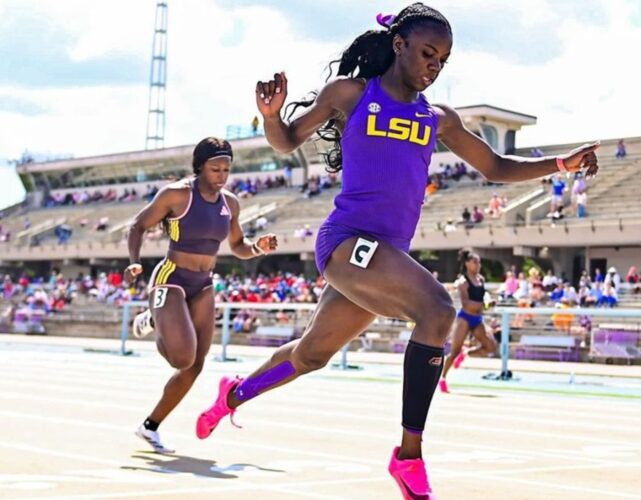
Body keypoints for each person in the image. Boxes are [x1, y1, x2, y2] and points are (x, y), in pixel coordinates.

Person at [193, 4, 600, 498]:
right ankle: (408, 456)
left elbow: (494, 165)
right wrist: (271, 115)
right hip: (346, 242)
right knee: (437, 310)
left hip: (384, 254)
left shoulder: (437, 118)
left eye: (443, 61)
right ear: (400, 45)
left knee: (311, 355)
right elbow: (286, 141)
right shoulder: (352, 93)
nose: (434, 66)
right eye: (428, 53)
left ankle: (231, 395)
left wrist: (560, 162)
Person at [124, 137, 278, 454]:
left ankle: (150, 427)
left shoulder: (230, 203)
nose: (221, 175)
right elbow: (138, 225)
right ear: (199, 167)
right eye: (215, 169)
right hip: (172, 278)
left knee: (195, 364)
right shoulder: (178, 194)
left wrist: (257, 248)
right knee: (180, 356)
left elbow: (238, 246)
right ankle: (155, 316)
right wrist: (135, 262)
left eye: (226, 169)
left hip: (203, 283)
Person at [439, 249, 497, 393]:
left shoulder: (481, 279)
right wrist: (485, 305)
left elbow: (482, 297)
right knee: (454, 352)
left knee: (491, 347)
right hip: (465, 318)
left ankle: (466, 353)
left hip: (477, 319)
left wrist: (488, 301)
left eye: (479, 262)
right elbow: (466, 303)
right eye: (475, 262)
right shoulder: (463, 282)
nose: (478, 265)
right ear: (467, 264)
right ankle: (442, 378)